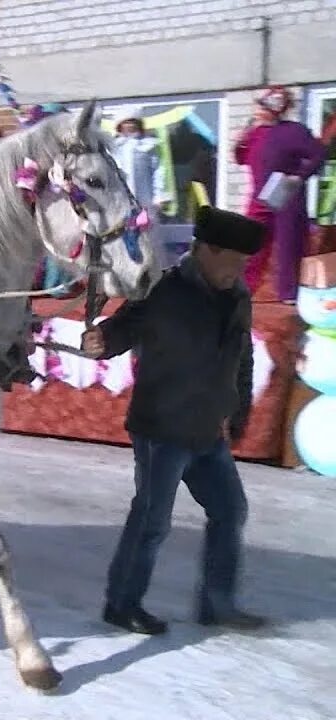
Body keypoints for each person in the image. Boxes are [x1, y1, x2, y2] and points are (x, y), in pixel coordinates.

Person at [81, 205, 267, 636]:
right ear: (206, 250)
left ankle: (217, 605)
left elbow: (243, 357)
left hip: (207, 429)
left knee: (229, 510)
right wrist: (100, 341)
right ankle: (122, 604)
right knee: (151, 520)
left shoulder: (237, 294)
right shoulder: (163, 289)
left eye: (245, 263)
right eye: (235, 260)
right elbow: (122, 329)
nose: (239, 270)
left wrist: (236, 414)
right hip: (162, 427)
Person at [234, 85, 326, 303]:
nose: (256, 110)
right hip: (259, 196)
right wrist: (240, 141)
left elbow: (319, 155)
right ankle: (243, 289)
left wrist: (299, 176)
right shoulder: (255, 132)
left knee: (289, 244)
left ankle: (289, 294)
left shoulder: (294, 130)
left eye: (261, 106)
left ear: (274, 109)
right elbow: (241, 158)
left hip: (285, 192)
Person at [112, 117, 169, 219]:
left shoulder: (148, 145)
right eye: (126, 122)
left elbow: (157, 171)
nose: (130, 125)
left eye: (133, 122)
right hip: (120, 199)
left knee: (146, 229)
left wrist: (158, 197)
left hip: (144, 196)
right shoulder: (114, 146)